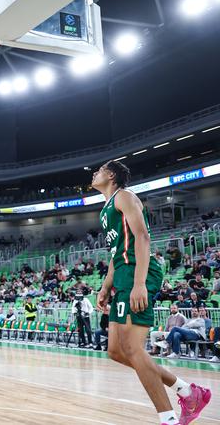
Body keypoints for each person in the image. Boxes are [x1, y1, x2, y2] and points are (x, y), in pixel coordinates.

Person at [93, 160, 211, 425]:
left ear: (111, 175)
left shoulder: (124, 196)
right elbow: (116, 252)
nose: (94, 173)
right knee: (116, 350)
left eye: (99, 170)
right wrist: (106, 285)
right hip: (123, 274)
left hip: (139, 273)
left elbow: (143, 237)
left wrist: (139, 283)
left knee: (133, 349)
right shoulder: (106, 209)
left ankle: (168, 419)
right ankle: (189, 392)